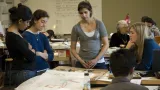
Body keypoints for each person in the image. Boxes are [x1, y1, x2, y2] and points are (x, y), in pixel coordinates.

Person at [71, 1, 109, 69]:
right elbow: (73, 48)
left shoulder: (99, 24)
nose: (84, 15)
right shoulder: (76, 28)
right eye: (81, 13)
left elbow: (106, 44)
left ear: (90, 11)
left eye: (85, 12)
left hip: (98, 61)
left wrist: (96, 60)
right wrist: (81, 61)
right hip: (82, 62)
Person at [5, 3, 36, 86]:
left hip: (23, 70)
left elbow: (28, 52)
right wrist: (30, 50)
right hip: (21, 72)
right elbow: (31, 57)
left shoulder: (16, 33)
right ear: (20, 21)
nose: (28, 25)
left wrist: (30, 50)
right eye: (27, 22)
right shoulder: (14, 37)